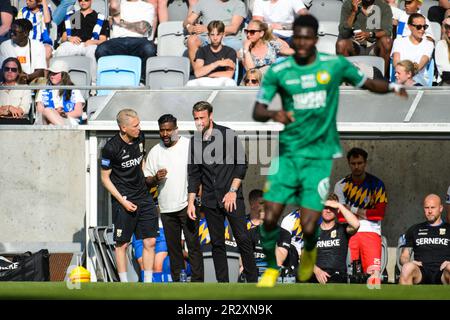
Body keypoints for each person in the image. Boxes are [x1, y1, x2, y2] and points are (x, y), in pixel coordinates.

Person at [252, 14, 407, 288]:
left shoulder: (333, 66)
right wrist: (278, 114)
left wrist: (394, 85)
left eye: (306, 37)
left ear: (315, 39)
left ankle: (310, 251)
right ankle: (271, 270)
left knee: (311, 223)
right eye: (296, 37)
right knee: (270, 215)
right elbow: (258, 110)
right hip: (288, 153)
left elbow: (369, 83)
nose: (300, 42)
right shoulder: (279, 70)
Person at [187, 101, 258, 283]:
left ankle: (252, 281)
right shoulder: (195, 141)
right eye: (196, 118)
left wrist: (233, 191)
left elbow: (241, 165)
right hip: (210, 200)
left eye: (202, 118)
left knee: (242, 238)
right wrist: (191, 203)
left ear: (211, 116)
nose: (199, 122)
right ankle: (223, 285)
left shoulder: (227, 134)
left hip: (232, 197)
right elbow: (194, 175)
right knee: (217, 243)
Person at [143, 113, 204, 282]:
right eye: (162, 130)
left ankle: (199, 283)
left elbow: (201, 173)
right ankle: (178, 281)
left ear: (176, 129)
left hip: (188, 204)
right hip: (166, 207)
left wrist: (199, 195)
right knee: (173, 247)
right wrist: (155, 178)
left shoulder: (189, 146)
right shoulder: (155, 152)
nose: (165, 134)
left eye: (168, 130)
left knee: (193, 245)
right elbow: (146, 181)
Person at [100, 108, 159, 283]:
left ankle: (148, 283)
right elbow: (105, 179)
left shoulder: (141, 137)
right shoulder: (110, 148)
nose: (139, 128)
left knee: (150, 241)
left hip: (144, 197)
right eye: (135, 125)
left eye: (139, 124)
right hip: (124, 200)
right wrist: (122, 201)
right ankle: (123, 284)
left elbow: (141, 162)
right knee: (122, 244)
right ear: (123, 128)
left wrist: (148, 181)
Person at [334, 147, 387, 277]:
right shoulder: (340, 185)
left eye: (360, 163)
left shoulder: (377, 184)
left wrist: (351, 209)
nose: (356, 167)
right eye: (353, 164)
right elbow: (341, 217)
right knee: (350, 275)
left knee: (373, 275)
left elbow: (379, 214)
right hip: (349, 233)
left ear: (365, 163)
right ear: (348, 163)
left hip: (371, 232)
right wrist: (367, 213)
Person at [95, 0, 156, 82]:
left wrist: (121, 22)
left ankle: (142, 79)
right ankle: (109, 79)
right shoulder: (117, 4)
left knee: (149, 49)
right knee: (101, 49)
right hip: (117, 40)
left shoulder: (148, 6)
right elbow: (113, 7)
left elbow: (143, 28)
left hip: (139, 40)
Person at [399, 194, 450, 285]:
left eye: (433, 207)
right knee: (407, 267)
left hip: (443, 272)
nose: (429, 211)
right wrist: (409, 262)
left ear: (441, 208)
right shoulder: (414, 229)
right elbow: (404, 256)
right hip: (421, 271)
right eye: (426, 208)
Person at [54, 0, 109, 84]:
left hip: (90, 45)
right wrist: (69, 38)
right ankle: (58, 82)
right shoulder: (73, 16)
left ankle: (93, 84)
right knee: (60, 51)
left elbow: (103, 40)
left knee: (93, 52)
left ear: (91, 1)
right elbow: (63, 39)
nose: (83, 2)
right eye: (80, 0)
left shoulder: (99, 17)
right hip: (73, 43)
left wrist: (93, 42)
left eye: (86, 0)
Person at [336, 0, 393, 77]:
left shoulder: (384, 6)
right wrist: (353, 12)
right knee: (341, 44)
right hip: (354, 45)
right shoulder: (348, 4)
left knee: (387, 41)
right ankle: (345, 79)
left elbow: (387, 31)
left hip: (374, 45)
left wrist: (370, 34)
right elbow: (343, 32)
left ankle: (380, 78)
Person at [312, 193, 360, 284]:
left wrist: (339, 205)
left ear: (337, 210)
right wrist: (317, 271)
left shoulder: (343, 229)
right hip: (316, 276)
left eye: (332, 208)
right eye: (325, 207)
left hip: (338, 277)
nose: (328, 211)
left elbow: (356, 224)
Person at [183, 0, 246, 66]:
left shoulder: (238, 4)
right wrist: (189, 26)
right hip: (206, 38)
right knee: (192, 40)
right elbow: (187, 21)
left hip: (228, 38)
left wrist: (207, 29)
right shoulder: (204, 2)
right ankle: (198, 71)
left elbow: (233, 28)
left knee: (239, 48)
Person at [186, 20, 237, 87]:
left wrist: (209, 74)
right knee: (190, 84)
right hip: (204, 80)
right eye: (212, 34)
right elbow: (197, 73)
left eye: (218, 34)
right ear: (208, 35)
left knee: (231, 83)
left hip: (221, 80)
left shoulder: (230, 51)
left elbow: (229, 74)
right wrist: (217, 63)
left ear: (223, 35)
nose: (215, 38)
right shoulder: (202, 50)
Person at [35, 59, 84, 125]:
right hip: (46, 121)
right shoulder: (43, 90)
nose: (52, 76)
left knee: (51, 124)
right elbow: (40, 112)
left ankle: (62, 129)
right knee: (47, 111)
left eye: (55, 73)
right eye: (51, 73)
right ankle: (64, 131)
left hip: (67, 120)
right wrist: (53, 113)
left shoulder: (74, 90)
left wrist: (60, 114)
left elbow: (78, 112)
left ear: (64, 75)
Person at [391, 13, 434, 86]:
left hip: (419, 81)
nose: (422, 29)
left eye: (424, 26)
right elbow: (396, 63)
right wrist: (410, 70)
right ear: (410, 26)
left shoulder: (429, 44)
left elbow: (420, 65)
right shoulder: (398, 41)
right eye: (419, 27)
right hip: (401, 80)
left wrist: (404, 71)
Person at [0, 19, 46, 84]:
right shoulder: (5, 45)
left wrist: (27, 77)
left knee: (42, 81)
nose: (12, 34)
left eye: (15, 32)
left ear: (26, 33)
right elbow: (4, 70)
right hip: (11, 80)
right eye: (11, 31)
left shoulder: (38, 45)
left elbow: (40, 71)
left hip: (30, 80)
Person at [435, 16, 450, 83]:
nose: (448, 29)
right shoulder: (441, 44)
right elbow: (444, 69)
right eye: (447, 27)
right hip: (447, 82)